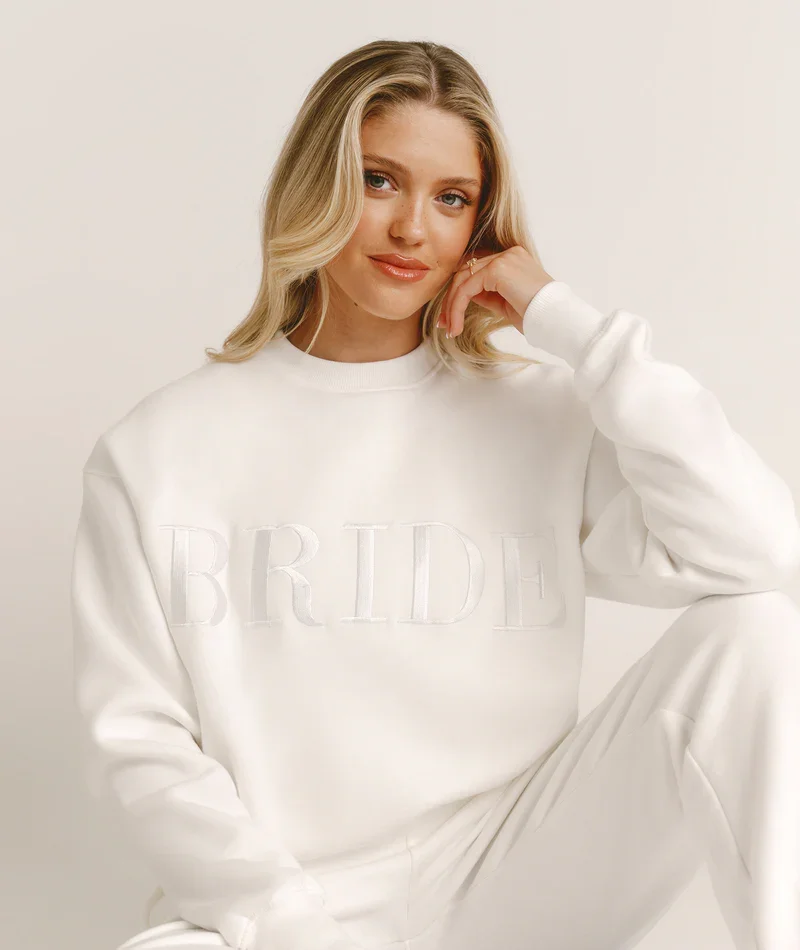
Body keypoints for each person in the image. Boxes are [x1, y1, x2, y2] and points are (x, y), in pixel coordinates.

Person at [70, 39, 800, 950]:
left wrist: (569, 326)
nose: (413, 228)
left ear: (482, 227)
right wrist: (295, 929)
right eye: (379, 181)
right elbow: (139, 746)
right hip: (289, 910)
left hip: (521, 879)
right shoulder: (156, 454)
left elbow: (763, 552)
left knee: (756, 632)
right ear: (316, 185)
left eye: (451, 198)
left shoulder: (541, 416)